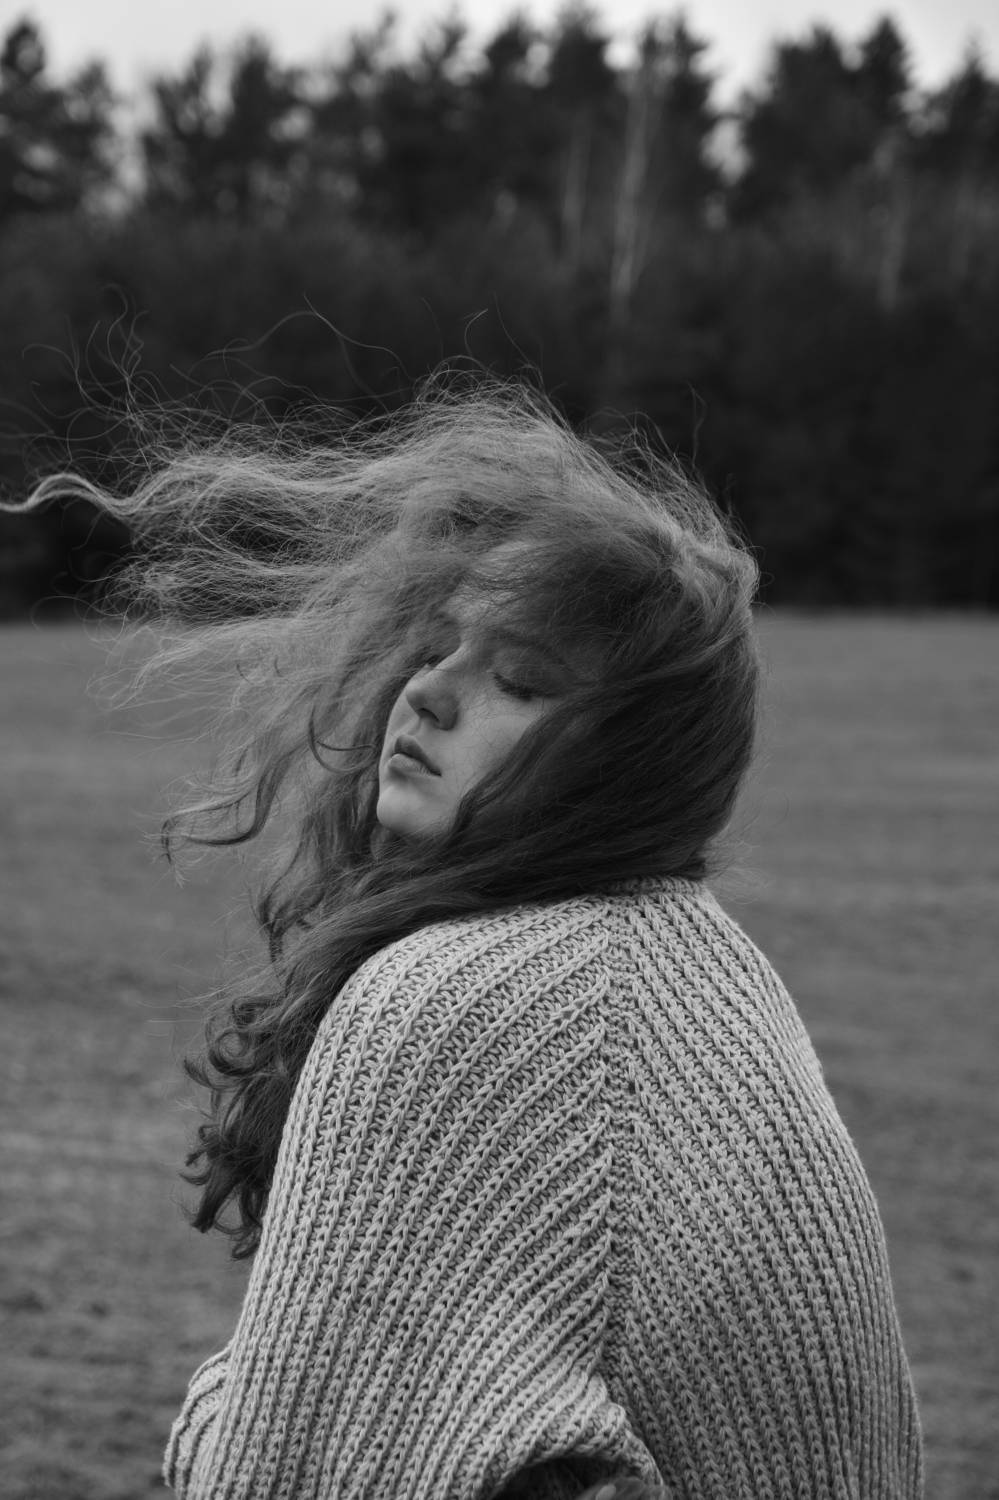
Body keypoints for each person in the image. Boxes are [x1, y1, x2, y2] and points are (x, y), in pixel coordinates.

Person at [43, 380, 923, 1497]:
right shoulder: (703, 963)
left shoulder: (458, 1004)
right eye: (437, 646)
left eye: (517, 681)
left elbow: (279, 1478)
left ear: (624, 767)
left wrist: (233, 1397)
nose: (427, 695)